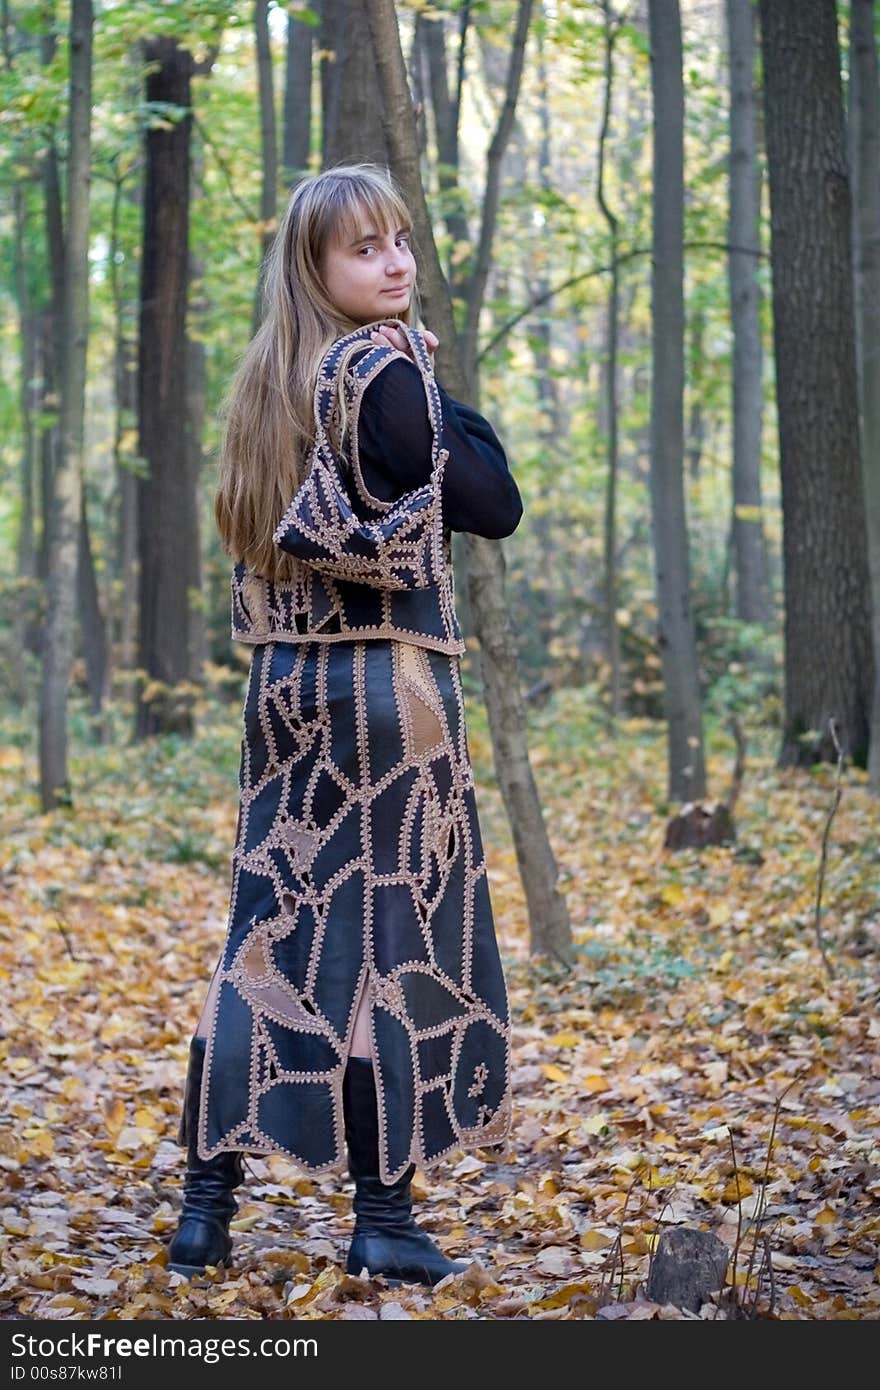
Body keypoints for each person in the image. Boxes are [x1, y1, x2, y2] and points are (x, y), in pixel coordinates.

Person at [166, 163, 523, 1286]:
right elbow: (491, 503)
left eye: (400, 240)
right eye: (366, 249)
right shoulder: (379, 369)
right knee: (390, 937)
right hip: (386, 688)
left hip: (284, 687)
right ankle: (384, 1215)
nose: (397, 263)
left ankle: (203, 1206)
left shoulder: (269, 381)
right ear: (316, 269)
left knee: (265, 935)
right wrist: (432, 375)